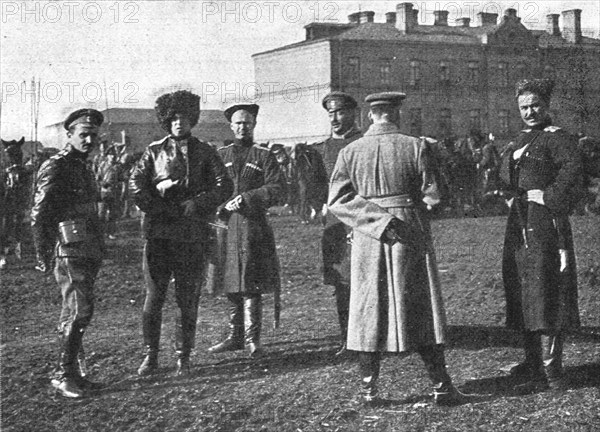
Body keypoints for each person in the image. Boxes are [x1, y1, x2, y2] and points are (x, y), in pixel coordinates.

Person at [328, 92, 468, 405]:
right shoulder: (416, 145)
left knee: (367, 306)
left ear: (370, 116)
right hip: (409, 230)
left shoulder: (350, 151)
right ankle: (442, 387)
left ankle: (368, 390)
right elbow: (433, 195)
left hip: (369, 235)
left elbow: (337, 201)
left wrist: (378, 219)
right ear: (397, 114)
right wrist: (414, 210)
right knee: (420, 305)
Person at [129, 90, 233, 376]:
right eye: (173, 118)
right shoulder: (153, 152)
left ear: (193, 120)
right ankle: (151, 356)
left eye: (184, 118)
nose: (178, 123)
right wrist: (159, 201)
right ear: (166, 120)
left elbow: (224, 185)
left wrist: (197, 203)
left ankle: (182, 356)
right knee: (155, 296)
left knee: (187, 298)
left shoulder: (206, 151)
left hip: (191, 234)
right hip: (159, 235)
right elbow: (136, 186)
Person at [500, 79, 585, 393]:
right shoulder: (522, 138)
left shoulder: (558, 138)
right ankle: (532, 361)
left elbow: (575, 170)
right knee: (524, 287)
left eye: (535, 105)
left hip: (546, 224)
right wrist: (509, 193)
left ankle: (551, 371)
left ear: (547, 106)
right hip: (520, 222)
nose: (529, 112)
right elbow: (506, 171)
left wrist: (548, 197)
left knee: (546, 288)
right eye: (523, 107)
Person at [31, 109, 106, 398]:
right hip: (68, 248)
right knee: (79, 311)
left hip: (87, 246)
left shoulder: (84, 166)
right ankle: (64, 375)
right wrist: (42, 252)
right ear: (69, 135)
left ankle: (72, 373)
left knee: (75, 311)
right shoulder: (57, 165)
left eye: (92, 135)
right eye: (82, 134)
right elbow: (39, 212)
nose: (88, 139)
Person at [207, 103, 283, 358]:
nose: (242, 127)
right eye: (238, 123)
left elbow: (278, 188)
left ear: (254, 125)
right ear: (231, 126)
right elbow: (209, 188)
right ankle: (234, 336)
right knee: (230, 279)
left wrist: (248, 197)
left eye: (247, 123)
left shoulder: (264, 156)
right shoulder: (220, 155)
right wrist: (219, 206)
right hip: (226, 227)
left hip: (253, 226)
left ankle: (252, 339)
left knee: (250, 279)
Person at [312, 92, 362, 356]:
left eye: (340, 112)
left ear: (353, 113)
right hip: (335, 223)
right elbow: (319, 184)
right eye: (330, 113)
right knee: (341, 282)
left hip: (363, 219)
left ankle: (376, 336)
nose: (334, 118)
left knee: (367, 279)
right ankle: (348, 339)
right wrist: (320, 204)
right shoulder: (323, 148)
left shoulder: (364, 142)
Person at [96, 146, 121, 239]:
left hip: (114, 193)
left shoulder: (118, 166)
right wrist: (103, 184)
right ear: (107, 156)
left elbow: (122, 177)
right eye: (111, 155)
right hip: (103, 192)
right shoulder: (102, 165)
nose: (113, 157)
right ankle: (101, 233)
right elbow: (97, 178)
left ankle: (111, 233)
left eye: (114, 155)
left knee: (113, 214)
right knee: (101, 214)